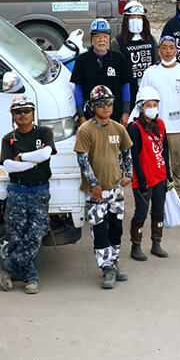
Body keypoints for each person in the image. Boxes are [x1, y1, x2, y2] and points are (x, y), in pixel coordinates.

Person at [0, 95, 57, 294]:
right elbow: (8, 166)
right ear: (13, 116)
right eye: (18, 112)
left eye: (26, 111)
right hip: (17, 191)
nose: (22, 115)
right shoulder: (9, 138)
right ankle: (30, 278)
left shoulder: (45, 132)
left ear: (33, 113)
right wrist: (33, 161)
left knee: (37, 233)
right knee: (17, 237)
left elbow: (46, 154)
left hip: (40, 191)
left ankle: (6, 266)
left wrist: (21, 157)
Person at [74, 85, 133, 289]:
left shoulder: (118, 128)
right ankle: (106, 268)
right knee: (100, 230)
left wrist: (129, 174)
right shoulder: (86, 130)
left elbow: (127, 152)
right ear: (92, 106)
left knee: (116, 228)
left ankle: (114, 262)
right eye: (101, 104)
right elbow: (82, 160)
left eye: (109, 103)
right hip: (96, 192)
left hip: (116, 189)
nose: (106, 107)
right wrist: (94, 184)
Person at [139, 36, 180, 201]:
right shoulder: (150, 73)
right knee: (157, 164)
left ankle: (179, 194)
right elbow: (142, 99)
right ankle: (160, 195)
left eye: (171, 47)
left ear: (176, 50)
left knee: (178, 163)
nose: (168, 51)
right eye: (164, 47)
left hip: (177, 128)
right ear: (159, 50)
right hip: (154, 128)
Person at [127, 86, 171, 261]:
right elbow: (134, 157)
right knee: (141, 212)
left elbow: (165, 150)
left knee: (159, 211)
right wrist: (142, 180)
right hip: (143, 179)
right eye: (148, 105)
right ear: (140, 107)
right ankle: (135, 246)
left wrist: (168, 174)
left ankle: (156, 243)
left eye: (155, 104)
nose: (152, 108)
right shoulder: (135, 128)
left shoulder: (160, 124)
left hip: (160, 177)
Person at [71, 18, 134, 126]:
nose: (101, 40)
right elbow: (78, 89)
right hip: (90, 117)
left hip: (115, 116)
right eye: (97, 36)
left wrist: (126, 112)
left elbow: (125, 85)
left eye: (105, 36)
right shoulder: (82, 60)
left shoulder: (119, 58)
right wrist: (81, 115)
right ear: (91, 38)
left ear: (109, 38)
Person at [112, 1, 157, 86]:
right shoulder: (117, 42)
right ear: (126, 20)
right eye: (132, 17)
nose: (136, 20)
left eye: (139, 17)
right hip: (127, 88)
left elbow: (157, 63)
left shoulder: (151, 40)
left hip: (148, 87)